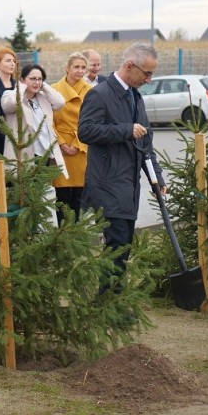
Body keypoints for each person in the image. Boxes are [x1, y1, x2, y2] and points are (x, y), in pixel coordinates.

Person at [78, 43, 165, 277]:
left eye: (151, 74)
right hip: (108, 184)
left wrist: (156, 177)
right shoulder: (100, 94)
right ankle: (109, 300)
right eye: (146, 73)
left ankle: (113, 301)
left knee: (124, 245)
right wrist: (125, 130)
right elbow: (85, 131)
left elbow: (146, 142)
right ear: (129, 66)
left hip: (129, 184)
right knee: (116, 246)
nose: (148, 80)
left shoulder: (135, 97)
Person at [1, 64, 68, 225]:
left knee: (44, 196)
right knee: (25, 196)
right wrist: (22, 87)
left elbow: (60, 103)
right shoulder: (11, 94)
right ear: (22, 79)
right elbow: (9, 105)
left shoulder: (43, 98)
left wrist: (44, 86)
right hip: (23, 157)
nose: (36, 82)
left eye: (39, 79)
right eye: (32, 79)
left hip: (44, 155)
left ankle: (44, 228)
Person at [51, 52, 91, 223]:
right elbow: (48, 121)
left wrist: (77, 143)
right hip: (61, 150)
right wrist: (60, 143)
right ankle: (62, 234)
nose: (80, 71)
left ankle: (76, 235)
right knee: (62, 196)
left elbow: (92, 121)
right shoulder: (53, 90)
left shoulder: (91, 91)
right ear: (67, 68)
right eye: (76, 67)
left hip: (82, 147)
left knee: (79, 197)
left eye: (83, 67)